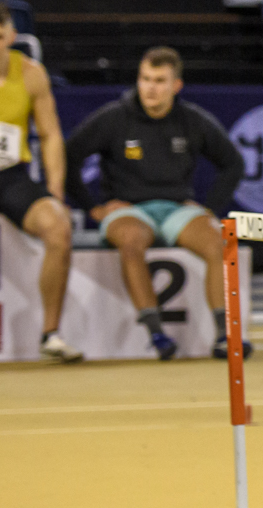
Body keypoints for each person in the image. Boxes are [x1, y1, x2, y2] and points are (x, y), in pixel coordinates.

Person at [64, 48, 245, 360]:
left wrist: (209, 208)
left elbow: (233, 163)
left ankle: (224, 335)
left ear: (176, 85)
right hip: (128, 210)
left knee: (218, 243)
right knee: (131, 242)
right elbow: (68, 156)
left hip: (177, 209)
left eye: (160, 81)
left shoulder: (193, 120)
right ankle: (156, 334)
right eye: (145, 79)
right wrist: (92, 207)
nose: (150, 87)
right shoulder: (113, 117)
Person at [0, 1, 82, 362]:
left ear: (11, 37)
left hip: (12, 176)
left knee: (58, 227)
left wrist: (54, 190)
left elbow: (51, 135)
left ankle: (50, 335)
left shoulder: (30, 73)